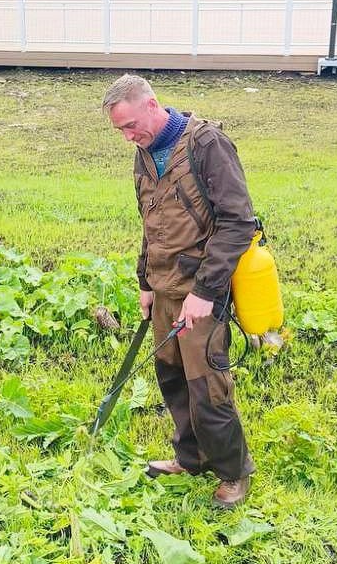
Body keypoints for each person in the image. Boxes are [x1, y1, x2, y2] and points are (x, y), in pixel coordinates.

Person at [102, 73, 257, 509]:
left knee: (207, 386)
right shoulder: (144, 154)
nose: (129, 137)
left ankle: (233, 472)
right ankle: (191, 458)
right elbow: (150, 225)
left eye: (131, 125)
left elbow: (239, 223)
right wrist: (145, 283)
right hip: (165, 288)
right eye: (122, 131)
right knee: (173, 380)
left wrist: (206, 291)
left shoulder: (208, 145)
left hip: (202, 292)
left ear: (152, 105)